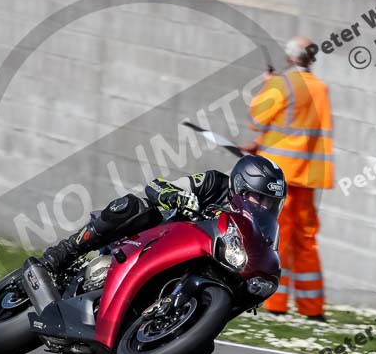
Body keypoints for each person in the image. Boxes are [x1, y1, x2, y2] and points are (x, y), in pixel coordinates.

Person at [36, 155, 287, 274]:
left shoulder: (258, 229)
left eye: (271, 203)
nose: (263, 207)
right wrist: (176, 196)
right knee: (133, 206)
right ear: (240, 185)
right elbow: (156, 186)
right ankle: (65, 250)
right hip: (157, 237)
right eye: (259, 198)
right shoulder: (213, 183)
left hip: (191, 262)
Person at [243, 36, 334, 322]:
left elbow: (257, 118)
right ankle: (313, 309)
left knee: (275, 236)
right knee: (306, 240)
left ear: (290, 58)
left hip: (278, 179)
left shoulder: (282, 84)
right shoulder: (321, 88)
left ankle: (275, 303)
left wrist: (269, 84)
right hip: (307, 177)